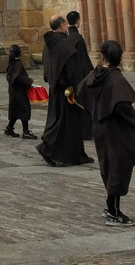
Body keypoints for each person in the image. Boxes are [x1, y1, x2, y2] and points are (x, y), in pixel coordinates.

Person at [76, 40, 135, 227]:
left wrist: (95, 110)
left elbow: (81, 92)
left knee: (108, 166)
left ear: (103, 56)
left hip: (100, 127)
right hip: (115, 130)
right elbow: (123, 106)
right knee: (118, 167)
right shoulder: (116, 80)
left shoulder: (95, 74)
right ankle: (113, 211)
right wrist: (134, 117)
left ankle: (111, 206)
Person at [37, 15, 94, 167]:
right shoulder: (65, 45)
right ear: (62, 26)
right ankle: (47, 148)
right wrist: (77, 87)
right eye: (66, 24)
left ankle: (77, 155)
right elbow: (72, 69)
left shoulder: (49, 44)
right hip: (67, 91)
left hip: (55, 87)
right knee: (65, 123)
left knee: (63, 122)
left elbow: (46, 66)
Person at [66, 10, 94, 139]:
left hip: (70, 75)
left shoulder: (67, 37)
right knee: (84, 103)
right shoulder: (78, 38)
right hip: (80, 75)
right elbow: (83, 59)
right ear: (78, 21)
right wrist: (91, 74)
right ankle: (86, 132)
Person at [5, 44, 36, 139]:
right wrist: (29, 81)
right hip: (19, 92)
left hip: (13, 91)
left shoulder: (11, 63)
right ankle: (25, 131)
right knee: (24, 110)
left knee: (15, 110)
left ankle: (9, 128)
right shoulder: (18, 63)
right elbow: (18, 77)